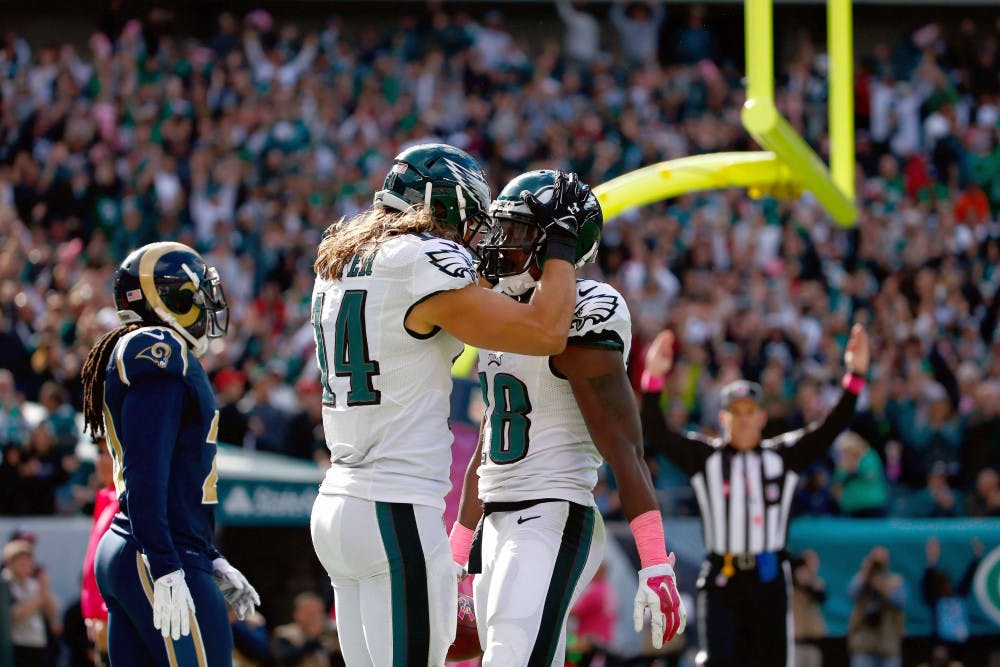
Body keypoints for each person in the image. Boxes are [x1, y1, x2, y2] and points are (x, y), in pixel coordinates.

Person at [308, 145, 593, 665]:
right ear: (448, 203)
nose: (475, 236)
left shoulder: (339, 261)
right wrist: (561, 244)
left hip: (336, 506)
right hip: (392, 510)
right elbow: (546, 331)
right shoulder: (421, 259)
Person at [449, 170, 686, 665]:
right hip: (498, 519)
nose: (499, 245)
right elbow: (491, 442)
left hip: (551, 515)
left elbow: (624, 446)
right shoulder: (500, 312)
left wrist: (656, 562)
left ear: (556, 242)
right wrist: (456, 554)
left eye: (515, 232)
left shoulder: (588, 308)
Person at [640, 324, 869, 667]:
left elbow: (830, 428)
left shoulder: (783, 457)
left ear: (763, 417)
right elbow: (656, 431)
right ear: (722, 418)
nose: (744, 420)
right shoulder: (706, 458)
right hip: (722, 575)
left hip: (769, 576)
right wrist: (653, 379)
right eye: (736, 412)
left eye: (750, 412)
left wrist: (855, 376)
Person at [83, 242, 260, 665]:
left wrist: (210, 554)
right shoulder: (159, 350)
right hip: (156, 550)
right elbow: (146, 472)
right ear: (172, 297)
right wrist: (166, 562)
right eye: (197, 295)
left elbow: (169, 473)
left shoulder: (155, 352)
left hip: (146, 546)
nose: (207, 306)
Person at [81, 438, 117, 666]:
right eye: (99, 451)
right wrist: (91, 614)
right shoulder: (105, 498)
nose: (103, 459)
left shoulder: (132, 501)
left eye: (110, 452)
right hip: (101, 622)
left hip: (117, 621)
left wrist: (105, 614)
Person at [1, 538, 60, 667]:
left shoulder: (33, 584)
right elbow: (12, 614)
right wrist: (38, 599)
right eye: (21, 562)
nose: (26, 565)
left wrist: (44, 588)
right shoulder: (5, 584)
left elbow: (51, 612)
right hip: (15, 646)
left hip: (37, 643)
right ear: (10, 563)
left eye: (28, 561)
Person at [847, 547, 905, 667]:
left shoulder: (895, 580)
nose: (879, 565)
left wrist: (882, 586)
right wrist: (865, 572)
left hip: (889, 644)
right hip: (864, 644)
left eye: (882, 560)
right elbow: (852, 593)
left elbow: (900, 601)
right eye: (875, 560)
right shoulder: (862, 579)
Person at [273, 592, 343, 667]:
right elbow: (287, 658)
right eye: (311, 613)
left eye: (319, 612)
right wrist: (312, 637)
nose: (316, 618)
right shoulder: (285, 633)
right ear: (297, 614)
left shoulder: (328, 634)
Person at [792, 550, 827, 667]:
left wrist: (807, 581)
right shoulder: (792, 582)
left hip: (813, 642)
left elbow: (821, 597)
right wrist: (799, 576)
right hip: (796, 642)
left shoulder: (818, 583)